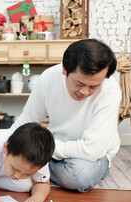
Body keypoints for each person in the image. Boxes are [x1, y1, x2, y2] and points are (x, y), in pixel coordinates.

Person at [11, 39, 121, 193]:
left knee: (79, 175)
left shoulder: (110, 91)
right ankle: (35, 168)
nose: (85, 92)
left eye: (94, 86)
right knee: (12, 158)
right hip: (55, 148)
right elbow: (27, 120)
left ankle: (33, 169)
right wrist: (9, 145)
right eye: (79, 83)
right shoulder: (49, 77)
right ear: (64, 70)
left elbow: (92, 150)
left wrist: (41, 151)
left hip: (89, 158)